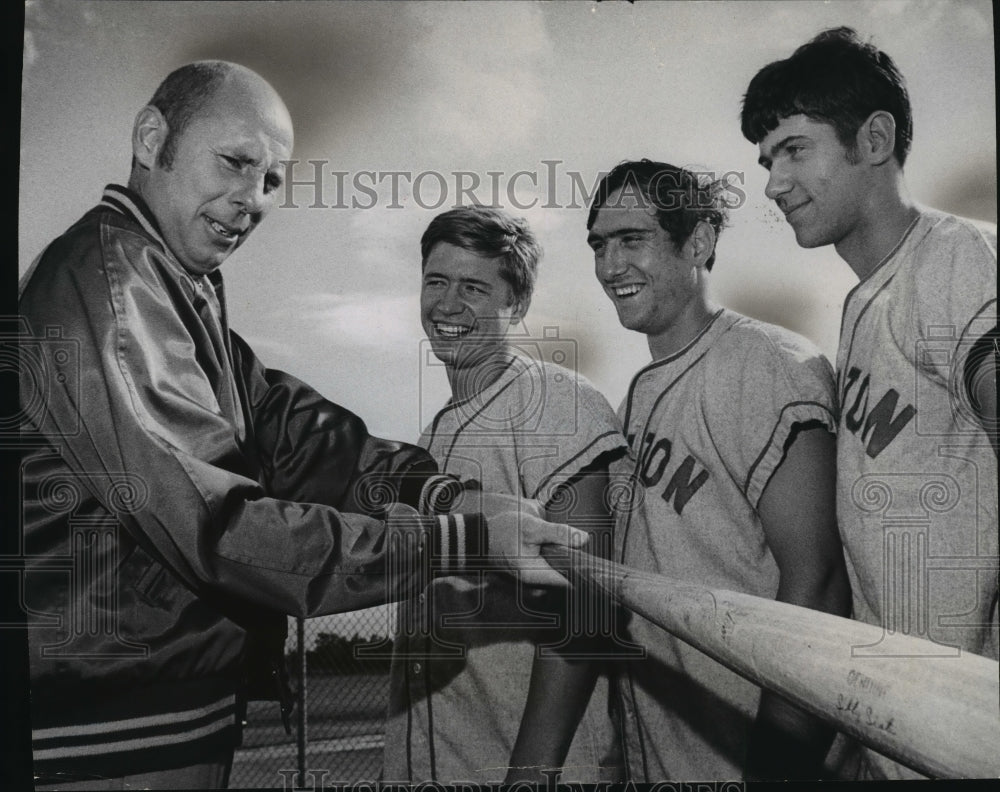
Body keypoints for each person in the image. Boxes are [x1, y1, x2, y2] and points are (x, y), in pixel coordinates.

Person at [17, 61, 584, 790]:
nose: (251, 199)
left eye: (273, 180)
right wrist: (462, 540)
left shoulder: (168, 279)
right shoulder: (113, 289)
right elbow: (223, 529)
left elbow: (295, 429)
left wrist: (442, 494)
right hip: (108, 732)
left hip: (155, 710)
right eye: (235, 162)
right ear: (152, 137)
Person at [741, 27, 998, 781]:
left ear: (874, 138)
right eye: (765, 160)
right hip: (902, 738)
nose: (773, 183)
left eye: (794, 149)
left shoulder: (956, 257)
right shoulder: (862, 310)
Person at [585, 159, 852, 781]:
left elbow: (819, 586)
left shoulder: (768, 364)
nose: (609, 265)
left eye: (632, 240)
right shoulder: (634, 400)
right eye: (599, 245)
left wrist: (775, 772)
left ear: (699, 241)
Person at [381, 206, 628, 784]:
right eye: (436, 282)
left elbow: (588, 605)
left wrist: (530, 775)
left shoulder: (556, 401)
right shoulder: (430, 438)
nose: (447, 304)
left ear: (515, 304)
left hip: (532, 769)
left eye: (474, 287)